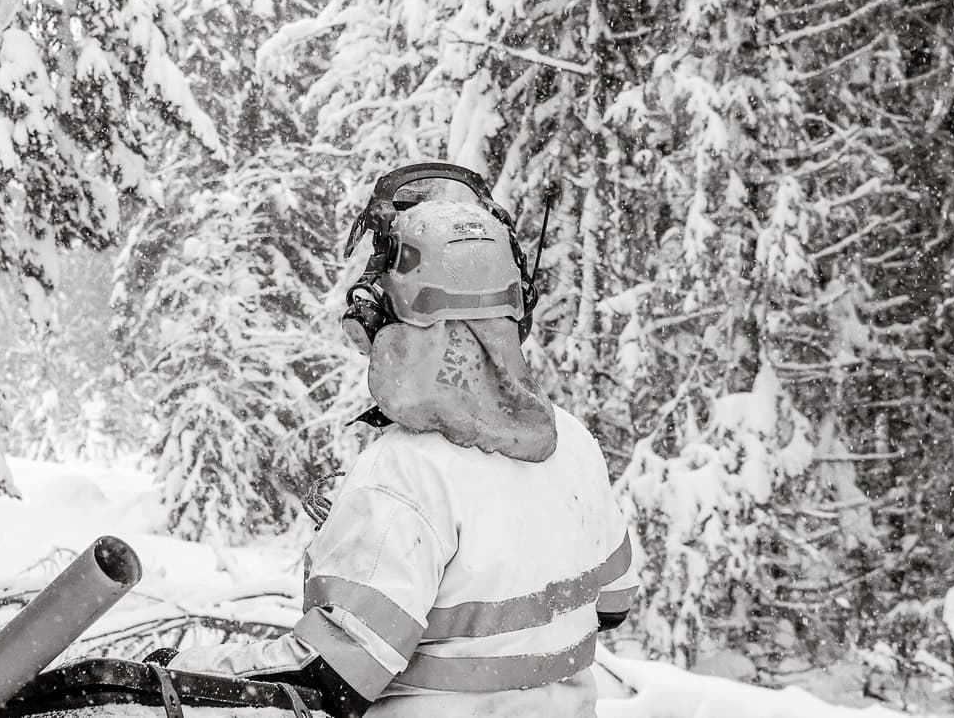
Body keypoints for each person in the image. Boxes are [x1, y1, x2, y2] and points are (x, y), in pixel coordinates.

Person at [151, 163, 642, 718]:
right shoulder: (572, 445)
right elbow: (612, 605)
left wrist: (177, 673)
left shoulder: (404, 475)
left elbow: (325, 679)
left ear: (390, 313)